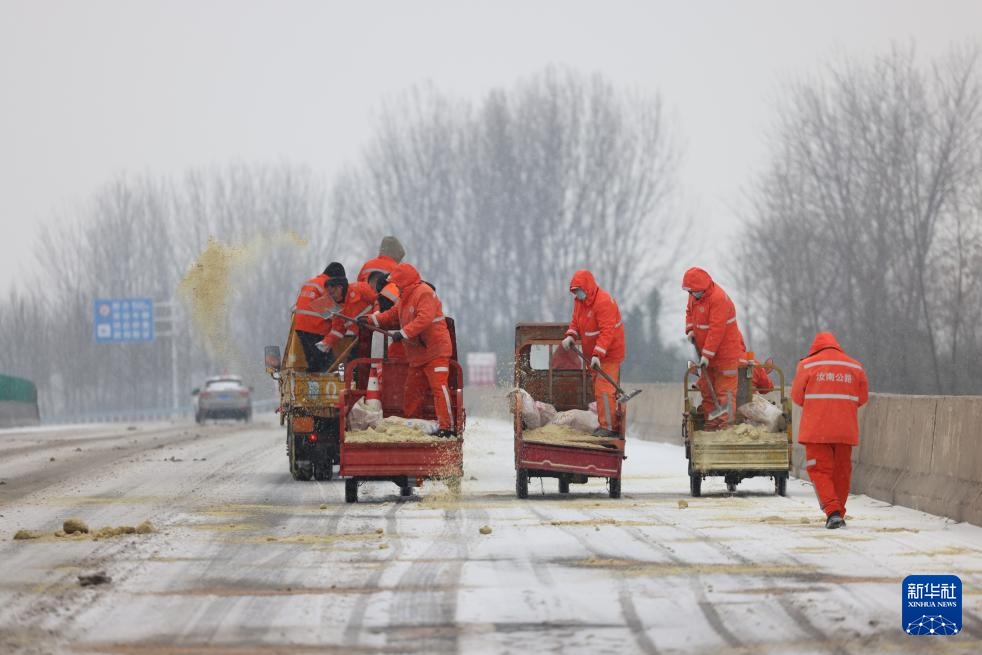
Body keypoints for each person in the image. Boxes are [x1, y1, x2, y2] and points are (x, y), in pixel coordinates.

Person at [363, 262, 455, 437]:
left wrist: (403, 333)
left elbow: (424, 318)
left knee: (439, 388)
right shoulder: (405, 298)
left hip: (436, 352)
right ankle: (413, 426)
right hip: (418, 355)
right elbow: (390, 316)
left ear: (404, 281)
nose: (395, 286)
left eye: (397, 283)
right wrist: (369, 320)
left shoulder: (424, 293)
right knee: (412, 392)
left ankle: (446, 427)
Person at [791, 332, 868, 529]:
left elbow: (797, 397)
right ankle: (838, 512)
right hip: (845, 430)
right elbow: (862, 398)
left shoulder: (807, 365)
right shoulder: (855, 366)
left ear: (815, 347)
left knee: (820, 470)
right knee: (841, 471)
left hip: (817, 431)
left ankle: (833, 512)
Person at [560, 270, 625, 438]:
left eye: (578, 290)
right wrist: (571, 335)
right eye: (574, 291)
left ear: (587, 287)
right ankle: (604, 423)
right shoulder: (580, 302)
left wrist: (598, 354)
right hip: (594, 356)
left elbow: (607, 332)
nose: (577, 294)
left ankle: (609, 428)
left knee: (604, 390)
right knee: (599, 390)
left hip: (609, 355)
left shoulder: (604, 302)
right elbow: (576, 322)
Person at [682, 267, 747, 429]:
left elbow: (716, 330)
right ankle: (711, 424)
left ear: (703, 289)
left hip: (726, 356)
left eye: (695, 293)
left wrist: (706, 355)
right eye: (691, 293)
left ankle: (726, 427)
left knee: (726, 393)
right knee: (707, 389)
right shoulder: (694, 297)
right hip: (707, 355)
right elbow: (689, 312)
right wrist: (690, 329)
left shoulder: (718, 299)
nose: (693, 296)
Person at [291, 262, 344, 372]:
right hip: (315, 328)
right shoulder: (326, 285)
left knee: (313, 361)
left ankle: (311, 384)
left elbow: (300, 306)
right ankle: (326, 386)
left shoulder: (310, 283)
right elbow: (333, 313)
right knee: (328, 364)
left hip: (300, 328)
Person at [315, 266, 378, 357]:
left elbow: (378, 301)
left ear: (340, 288)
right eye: (329, 294)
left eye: (332, 293)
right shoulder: (334, 307)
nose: (330, 297)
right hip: (358, 339)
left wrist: (376, 316)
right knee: (352, 364)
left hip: (375, 333)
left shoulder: (360, 288)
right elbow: (338, 329)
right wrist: (326, 342)